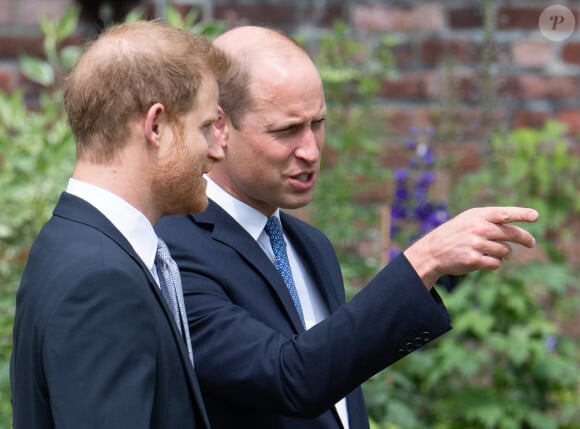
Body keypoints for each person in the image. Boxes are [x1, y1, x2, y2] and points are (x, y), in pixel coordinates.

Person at [155, 25, 538, 429]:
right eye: (286, 130)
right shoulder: (174, 248)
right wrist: (425, 260)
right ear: (218, 128)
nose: (310, 150)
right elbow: (289, 378)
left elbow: (334, 381)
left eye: (317, 123)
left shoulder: (309, 245)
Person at [10, 20, 229, 428]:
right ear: (156, 126)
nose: (218, 150)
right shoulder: (101, 283)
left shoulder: (72, 241)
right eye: (204, 127)